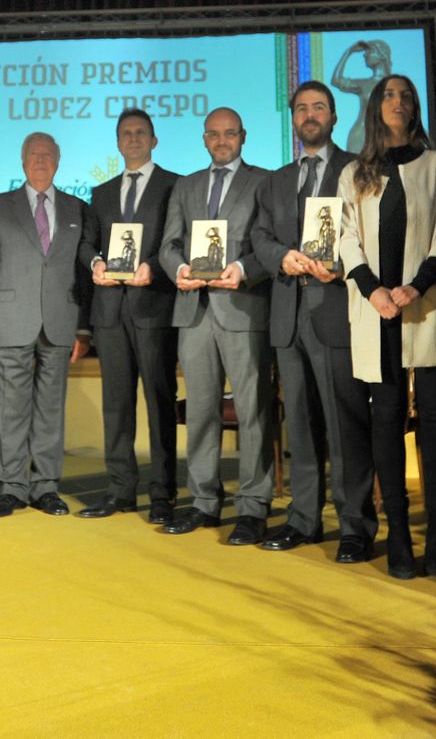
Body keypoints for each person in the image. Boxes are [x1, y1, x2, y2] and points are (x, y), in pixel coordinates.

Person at [334, 75, 436, 577]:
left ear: (415, 108)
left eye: (406, 95)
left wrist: (417, 285)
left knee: (434, 417)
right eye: (388, 95)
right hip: (377, 311)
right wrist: (374, 290)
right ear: (374, 108)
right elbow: (346, 239)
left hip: (428, 302)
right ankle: (398, 535)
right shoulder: (355, 173)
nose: (397, 102)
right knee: (386, 419)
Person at [157, 107, 272, 544]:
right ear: (203, 139)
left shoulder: (264, 180)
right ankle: (204, 502)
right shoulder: (185, 187)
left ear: (243, 137)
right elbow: (168, 244)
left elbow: (269, 243)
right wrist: (179, 268)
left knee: (252, 412)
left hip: (243, 307)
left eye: (230, 134)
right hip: (194, 311)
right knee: (201, 411)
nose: (222, 141)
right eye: (214, 135)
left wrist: (244, 267)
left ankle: (253, 507)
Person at [250, 82, 355, 552]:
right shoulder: (274, 180)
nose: (309, 115)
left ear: (334, 116)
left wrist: (344, 262)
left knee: (342, 423)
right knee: (301, 426)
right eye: (301, 109)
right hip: (287, 315)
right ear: (292, 119)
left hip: (336, 312)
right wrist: (281, 257)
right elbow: (260, 236)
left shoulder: (356, 169)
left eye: (318, 108)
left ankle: (354, 526)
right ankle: (303, 519)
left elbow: (364, 233)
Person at [0, 132, 91, 518]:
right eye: (33, 155)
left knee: (50, 409)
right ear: (22, 161)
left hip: (61, 321)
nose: (40, 160)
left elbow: (84, 271)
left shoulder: (78, 208)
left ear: (58, 161)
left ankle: (45, 487)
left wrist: (84, 329)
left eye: (47, 155)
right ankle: (11, 487)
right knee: (10, 408)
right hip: (8, 322)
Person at [78, 109, 182, 522]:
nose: (134, 139)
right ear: (118, 142)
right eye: (126, 134)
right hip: (110, 312)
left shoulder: (174, 185)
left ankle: (162, 493)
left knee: (159, 402)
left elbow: (179, 240)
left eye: (141, 133)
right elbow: (87, 244)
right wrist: (96, 263)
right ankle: (120, 490)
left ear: (154, 141)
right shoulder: (101, 193)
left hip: (154, 306)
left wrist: (152, 267)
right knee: (116, 406)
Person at [331, 39, 393, 153]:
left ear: (381, 55)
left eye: (370, 51)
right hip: (360, 137)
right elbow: (336, 80)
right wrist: (349, 52)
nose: (364, 55)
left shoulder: (396, 85)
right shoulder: (365, 84)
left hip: (387, 138)